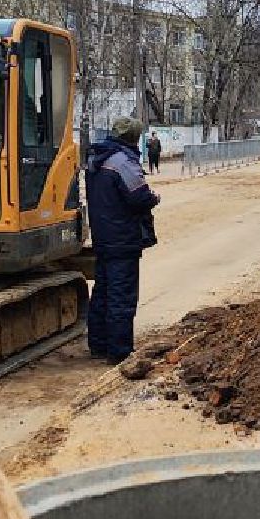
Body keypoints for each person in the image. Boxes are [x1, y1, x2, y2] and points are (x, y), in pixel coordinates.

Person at [85, 116, 160, 362]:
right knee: (122, 296)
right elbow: (139, 197)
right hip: (123, 239)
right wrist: (154, 198)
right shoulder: (122, 161)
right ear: (133, 137)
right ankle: (119, 352)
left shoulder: (97, 158)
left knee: (102, 293)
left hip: (103, 237)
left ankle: (98, 345)